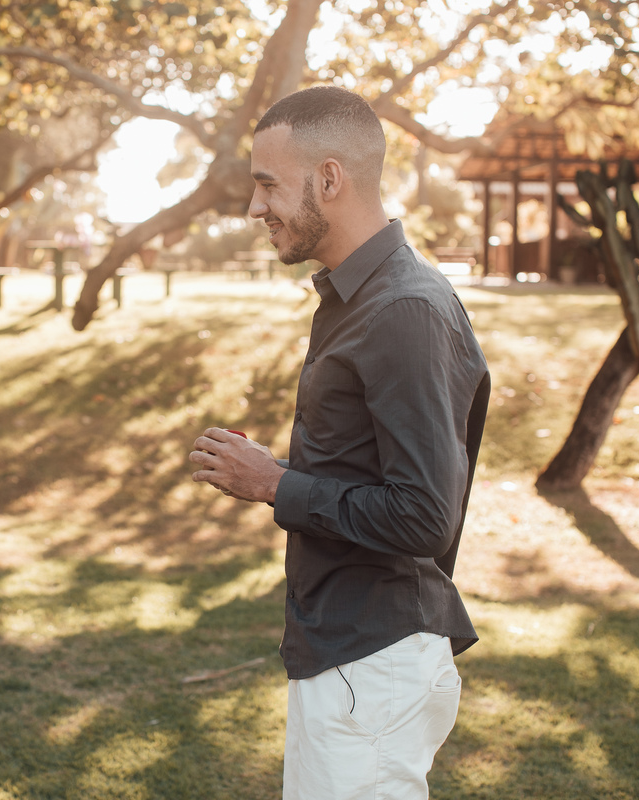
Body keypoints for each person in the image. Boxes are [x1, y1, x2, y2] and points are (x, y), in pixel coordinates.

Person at [190, 86, 490, 799]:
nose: (254, 208)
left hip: (373, 664)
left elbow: (422, 516)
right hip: (352, 658)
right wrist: (276, 472)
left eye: (268, 185)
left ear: (329, 178)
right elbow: (375, 476)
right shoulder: (359, 300)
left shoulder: (404, 309)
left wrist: (273, 483)